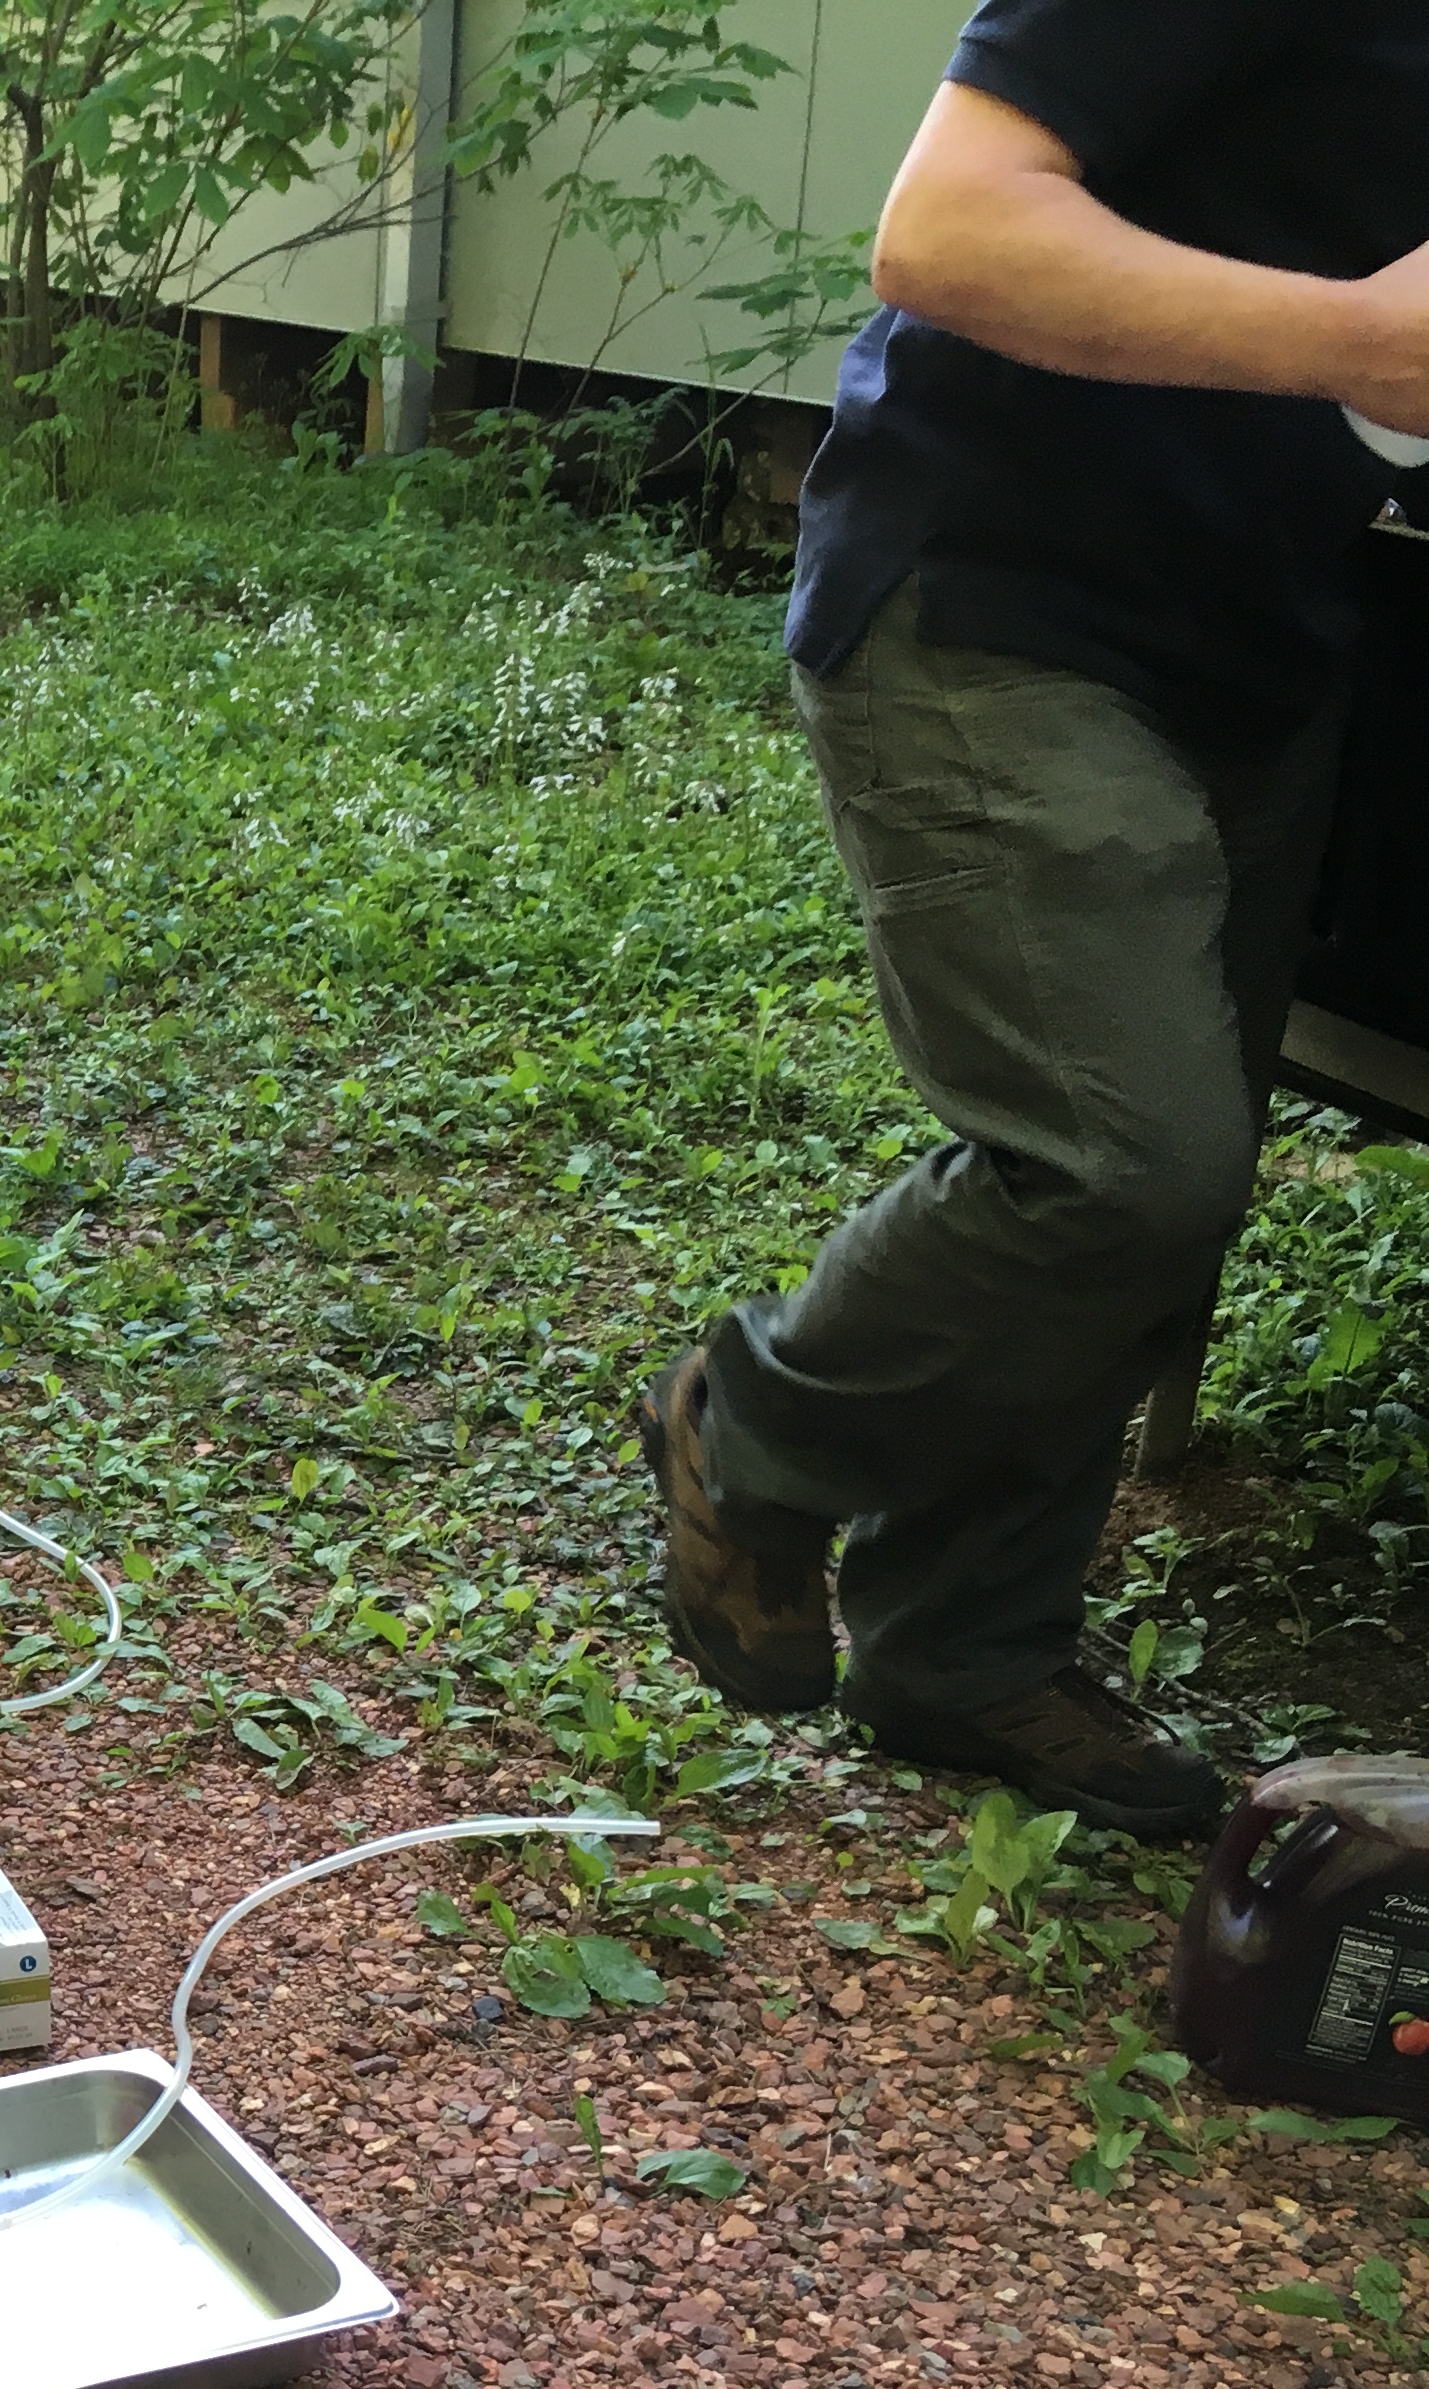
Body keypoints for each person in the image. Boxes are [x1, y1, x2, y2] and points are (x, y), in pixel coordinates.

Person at [643, 2, 1429, 1838]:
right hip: (996, 602)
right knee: (1120, 1163)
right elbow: (950, 231)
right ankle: (750, 1424)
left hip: (1262, 641)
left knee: (1156, 1223)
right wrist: (1366, 338)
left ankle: (965, 1647)